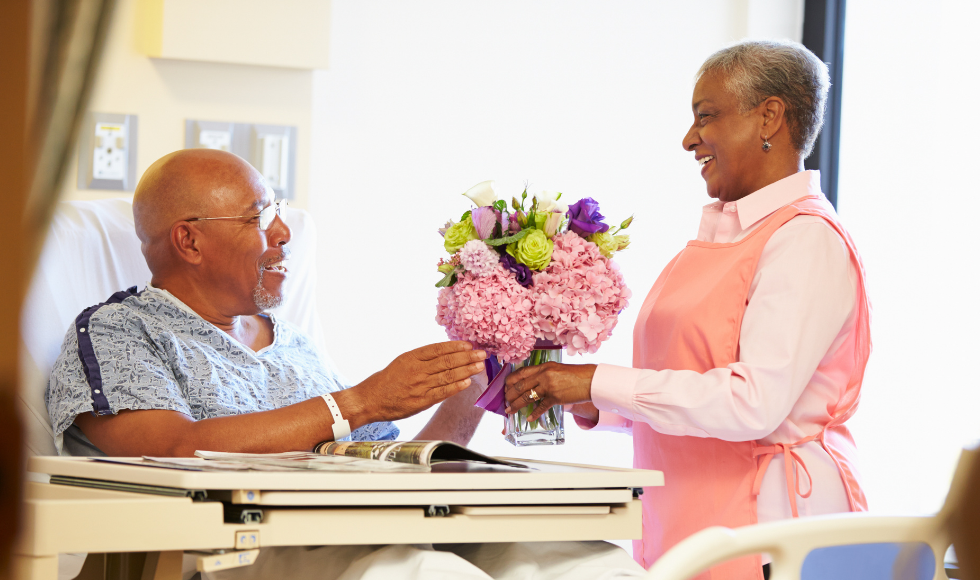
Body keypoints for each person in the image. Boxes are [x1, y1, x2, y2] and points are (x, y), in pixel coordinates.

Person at [45, 148, 645, 580]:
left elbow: (390, 467)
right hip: (245, 553)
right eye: (258, 217)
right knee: (423, 573)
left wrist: (468, 389)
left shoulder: (294, 344)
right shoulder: (121, 330)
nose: (282, 232)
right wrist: (359, 402)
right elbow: (168, 451)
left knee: (584, 561)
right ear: (189, 242)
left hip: (370, 527)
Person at [504, 40, 871, 579]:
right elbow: (686, 391)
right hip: (691, 516)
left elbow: (752, 404)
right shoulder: (720, 240)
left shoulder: (806, 239)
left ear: (770, 116)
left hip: (771, 532)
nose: (689, 139)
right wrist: (591, 403)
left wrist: (594, 381)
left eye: (706, 116)